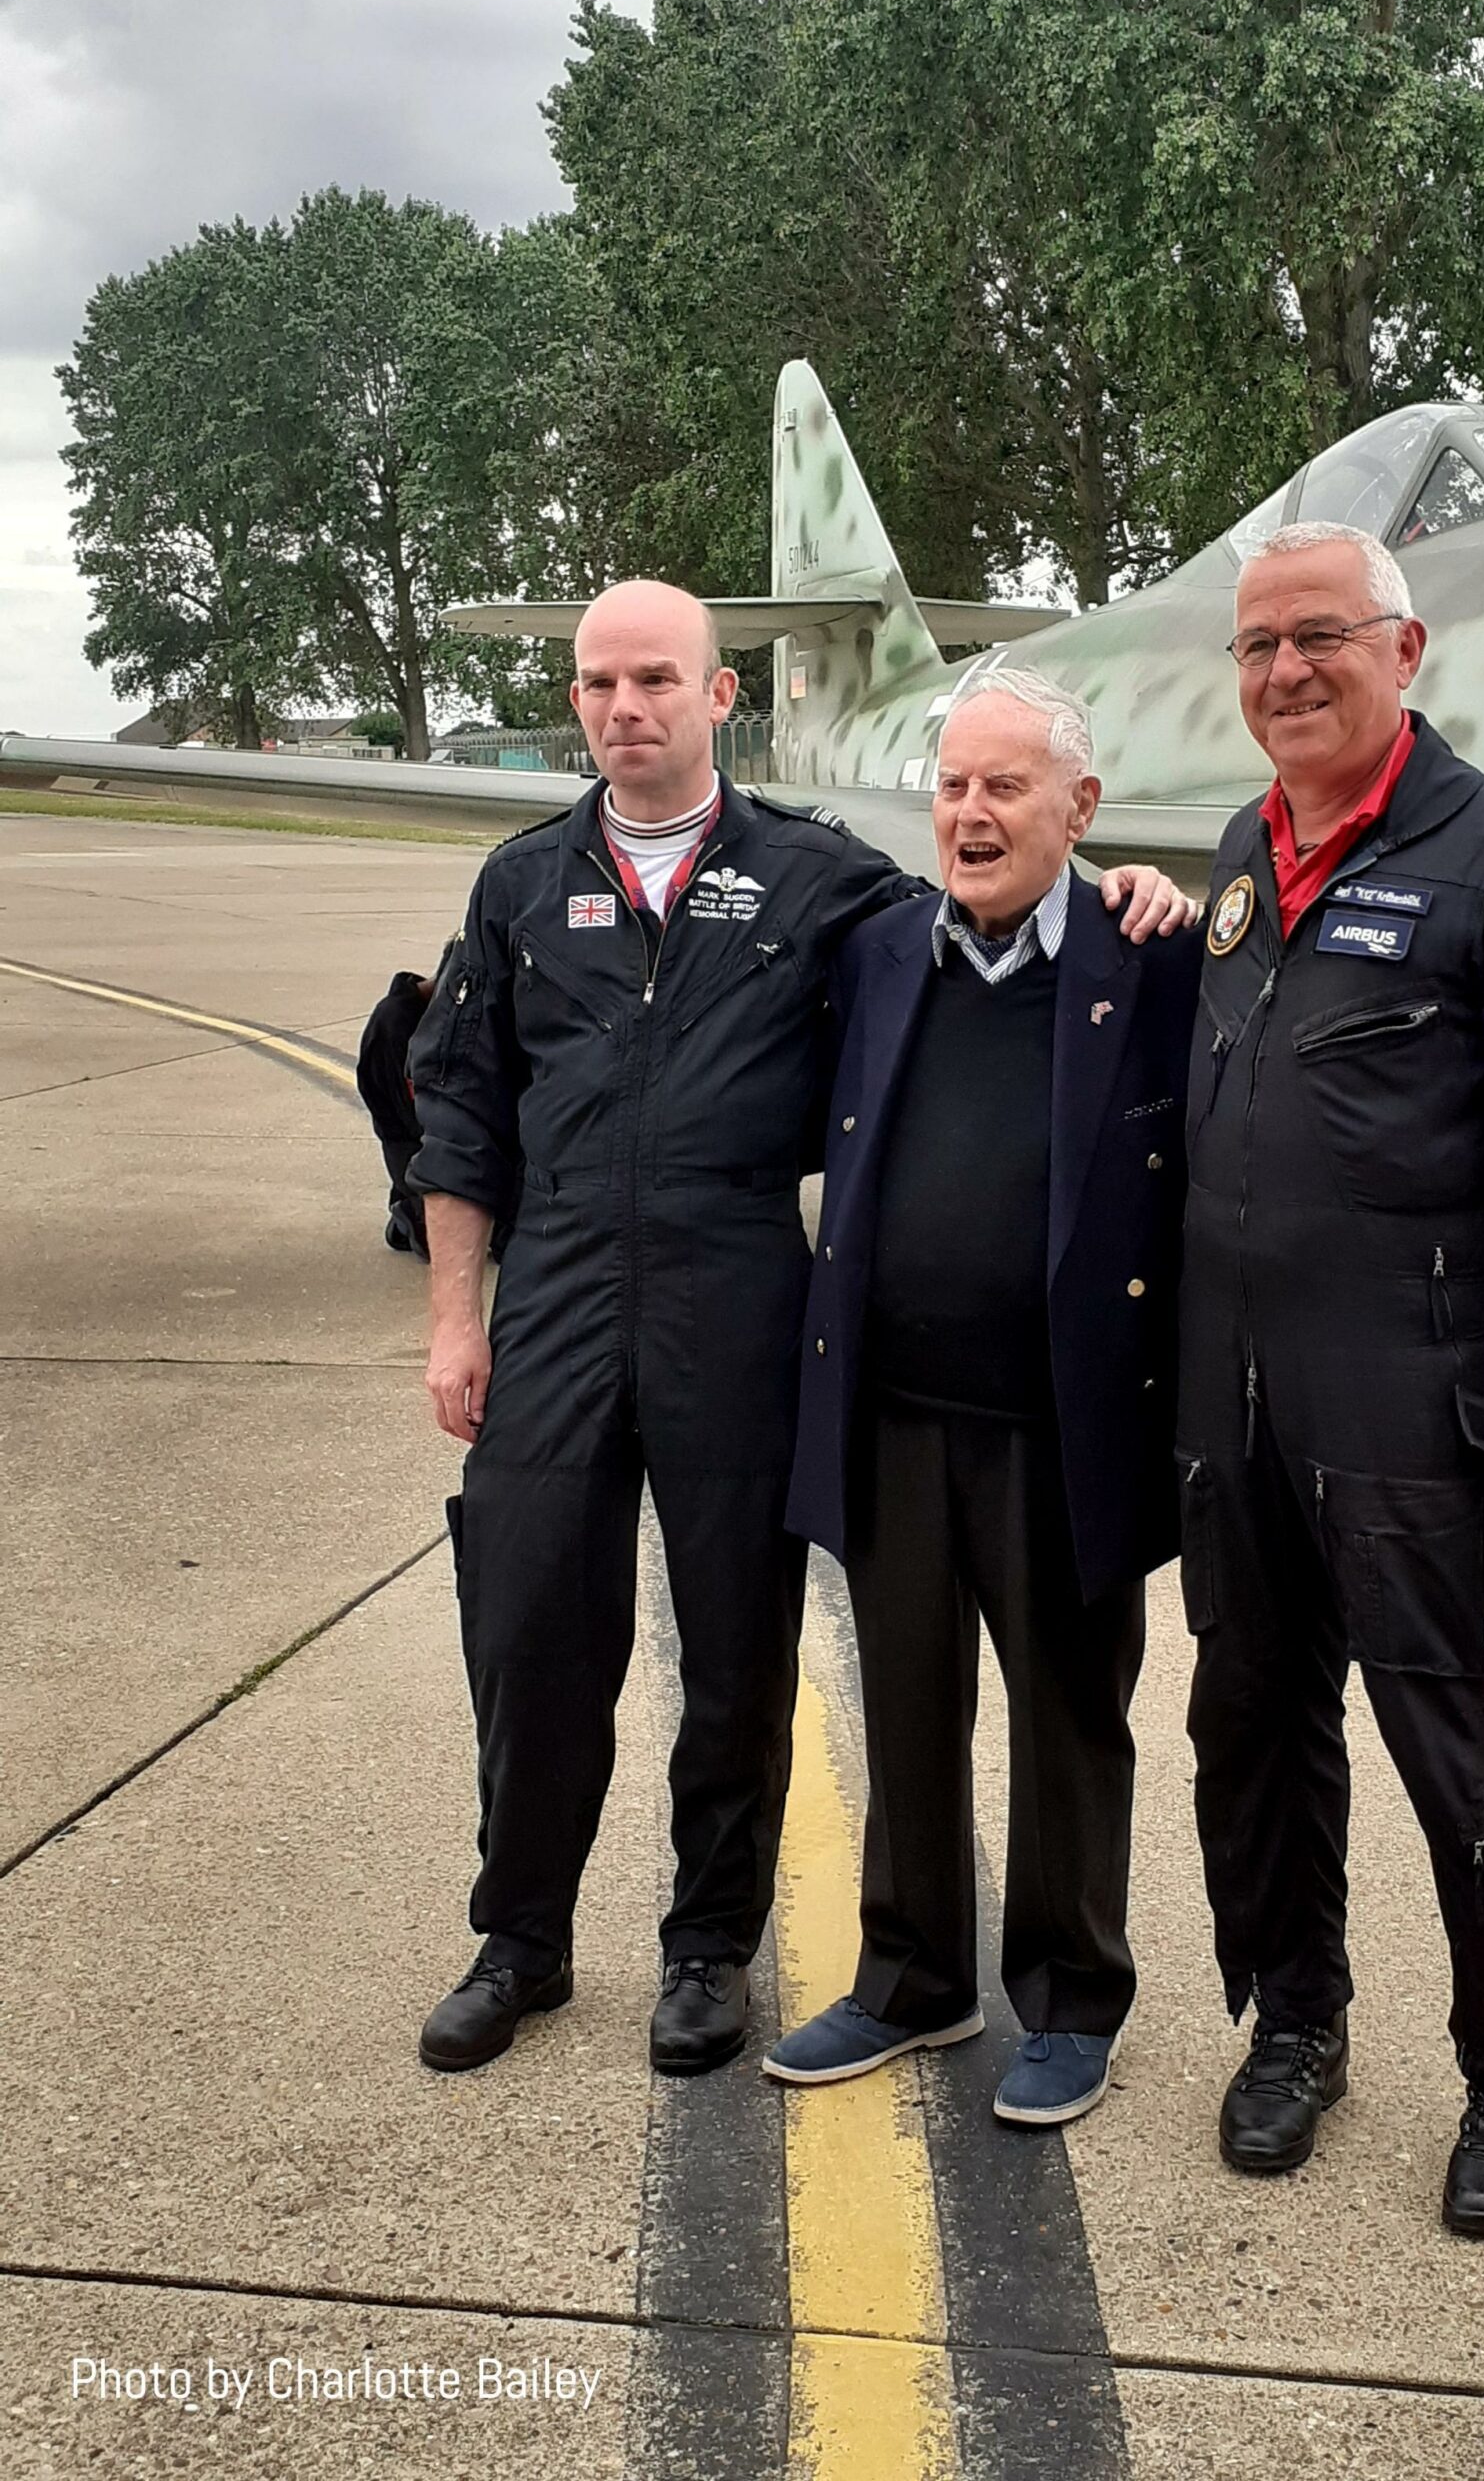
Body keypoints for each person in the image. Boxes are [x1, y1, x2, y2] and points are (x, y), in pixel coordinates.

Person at [405, 580, 1188, 2077]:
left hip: (737, 1297)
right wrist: (459, 1320)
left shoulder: (827, 884)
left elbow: (1000, 920)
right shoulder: (517, 885)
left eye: (655, 680)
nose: (623, 707)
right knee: (527, 1629)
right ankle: (522, 1936)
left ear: (720, 700)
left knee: (735, 1648)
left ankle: (708, 1948)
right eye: (597, 683)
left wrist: (1124, 891)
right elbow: (460, 1118)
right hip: (559, 1291)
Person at [1180, 521, 1484, 2236]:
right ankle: (1295, 2025)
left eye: (1321, 639)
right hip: (1233, 1400)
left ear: (1405, 649)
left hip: (1411, 1386)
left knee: (1455, 1738)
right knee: (1252, 1730)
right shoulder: (1244, 854)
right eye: (1257, 650)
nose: (1286, 672)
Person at [771, 668, 1200, 2126]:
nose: (969, 811)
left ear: (1079, 809)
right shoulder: (885, 951)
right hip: (894, 1414)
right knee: (903, 1707)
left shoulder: (1156, 961)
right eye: (953, 784)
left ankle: (1073, 1999)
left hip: (1064, 1427)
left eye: (1005, 786)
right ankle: (911, 1981)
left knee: (1073, 1722)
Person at [356, 956, 445, 1259]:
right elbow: (408, 1111)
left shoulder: (428, 1016)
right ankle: (413, 1208)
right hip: (410, 1139)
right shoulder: (395, 1025)